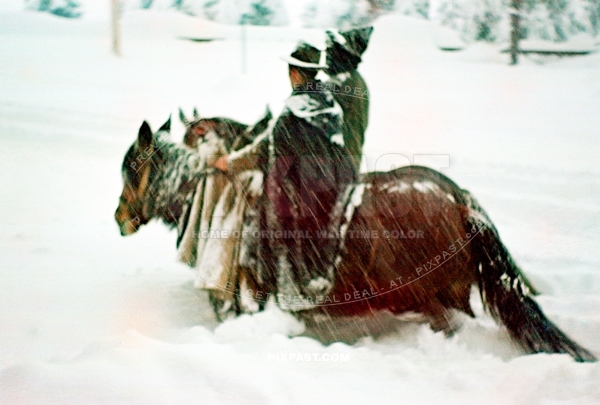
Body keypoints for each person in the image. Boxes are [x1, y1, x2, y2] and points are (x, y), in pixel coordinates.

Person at [213, 42, 356, 310]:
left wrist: (230, 163)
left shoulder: (294, 110)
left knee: (257, 224)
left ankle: (271, 291)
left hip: (302, 187)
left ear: (295, 73)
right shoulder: (329, 104)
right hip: (333, 182)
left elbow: (266, 150)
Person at [323, 27, 373, 172]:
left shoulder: (345, 83)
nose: (327, 54)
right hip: (344, 161)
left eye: (332, 50)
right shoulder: (352, 80)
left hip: (339, 165)